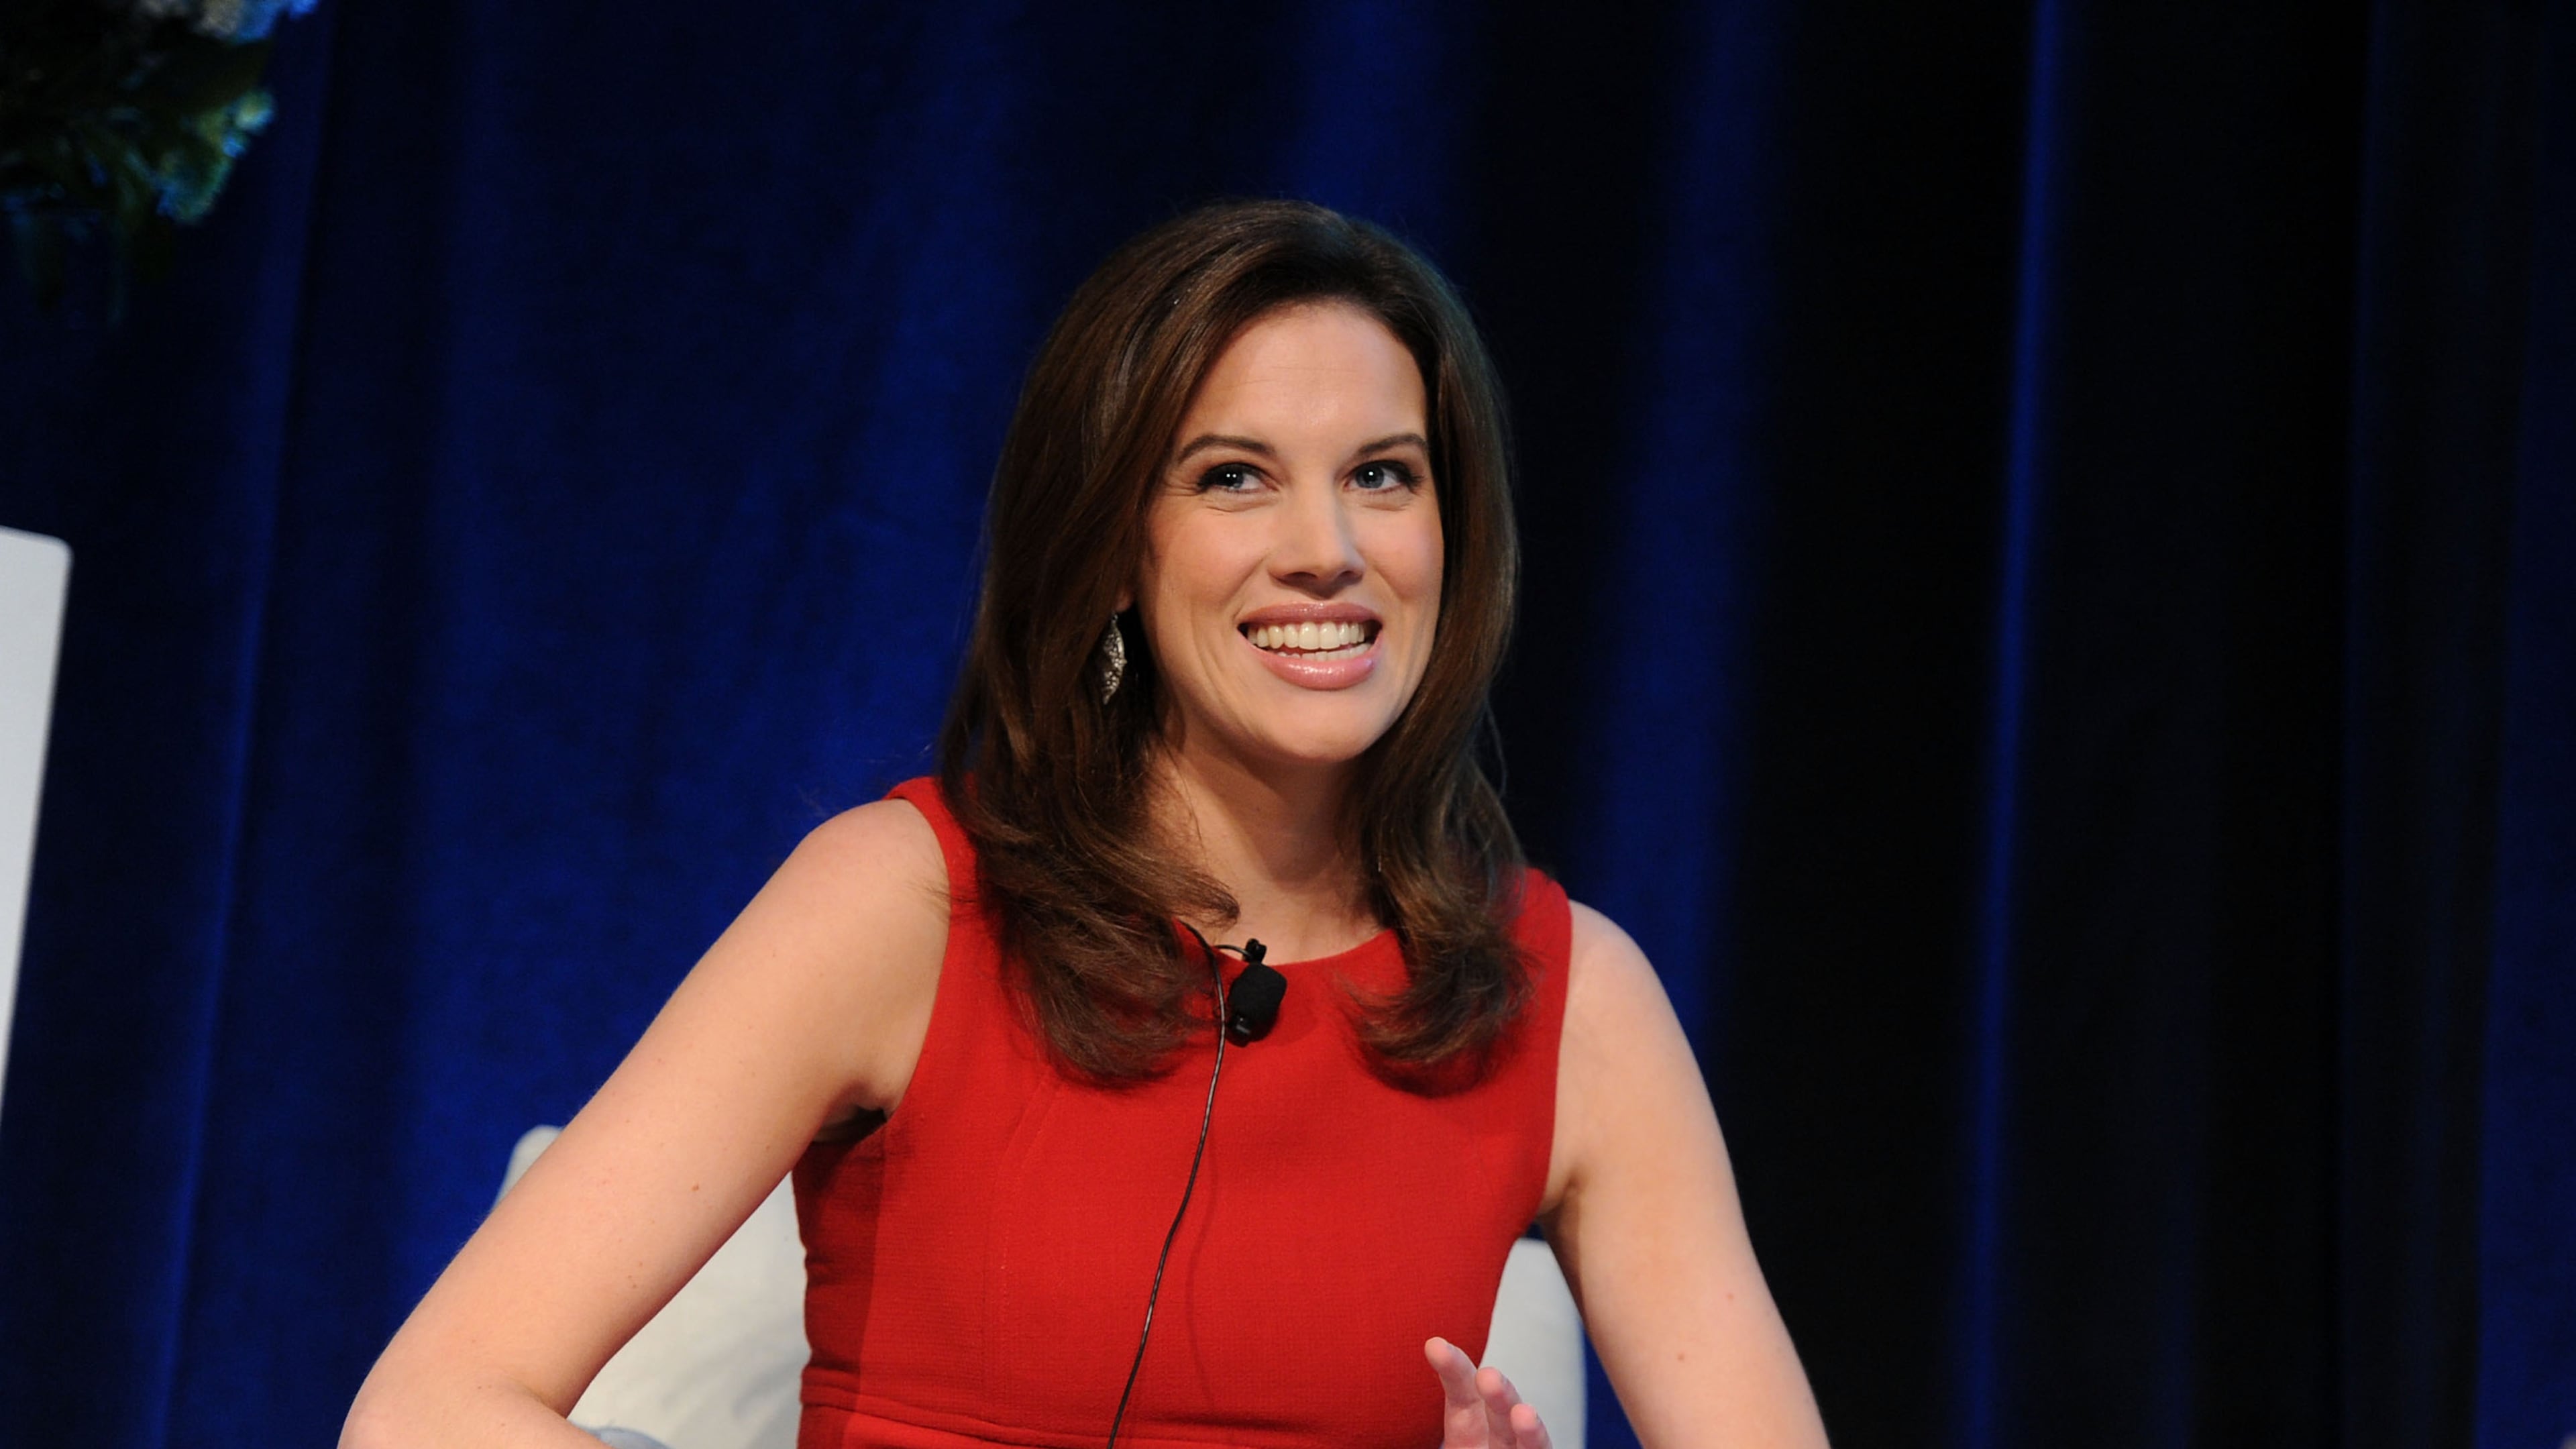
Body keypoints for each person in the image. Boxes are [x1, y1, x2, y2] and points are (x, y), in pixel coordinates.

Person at [342, 200, 1830, 1449]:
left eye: (1383, 475)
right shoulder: (902, 905)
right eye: (1234, 478)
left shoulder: (1577, 1006)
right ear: (1118, 548)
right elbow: (431, 1408)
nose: (1328, 551)